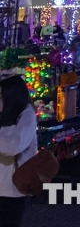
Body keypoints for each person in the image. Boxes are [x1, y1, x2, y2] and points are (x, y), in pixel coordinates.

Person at [0, 75, 37, 226]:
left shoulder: (26, 115)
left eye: (0, 96)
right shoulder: (4, 115)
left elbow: (13, 146)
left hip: (11, 190)